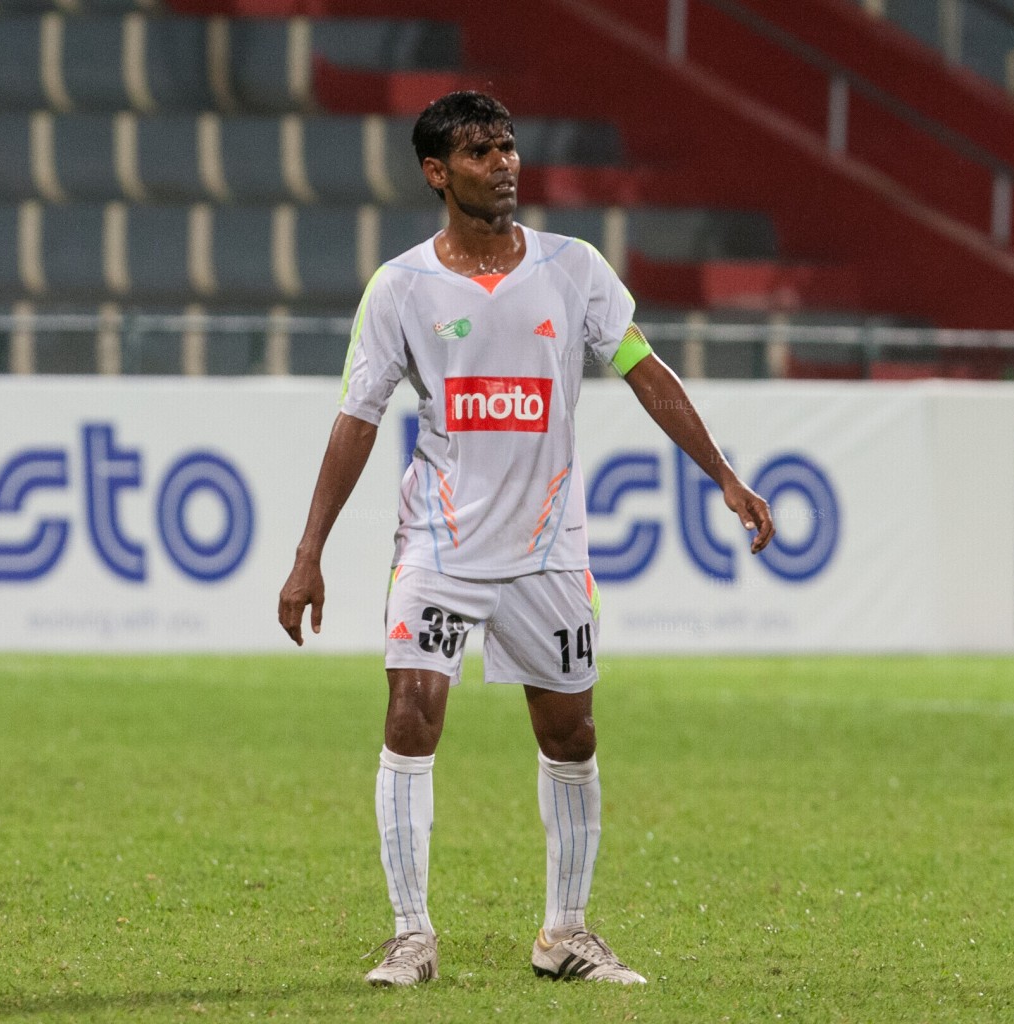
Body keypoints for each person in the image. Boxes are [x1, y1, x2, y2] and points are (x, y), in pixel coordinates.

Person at [277, 91, 775, 987]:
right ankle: (410, 936)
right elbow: (357, 416)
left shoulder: (573, 267)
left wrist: (724, 475)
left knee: (572, 733)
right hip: (440, 544)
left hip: (549, 550)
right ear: (437, 173)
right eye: (478, 152)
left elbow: (642, 369)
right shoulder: (401, 287)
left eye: (507, 146)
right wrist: (309, 552)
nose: (503, 163)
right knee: (410, 715)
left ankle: (565, 934)